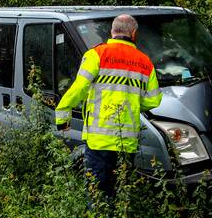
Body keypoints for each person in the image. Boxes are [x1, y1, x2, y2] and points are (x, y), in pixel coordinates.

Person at [55, 14, 163, 200]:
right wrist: (133, 101)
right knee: (120, 192)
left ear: (112, 31)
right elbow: (153, 100)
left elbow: (79, 88)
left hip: (99, 141)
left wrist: (62, 116)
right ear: (134, 34)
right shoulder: (145, 62)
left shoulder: (96, 54)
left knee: (97, 193)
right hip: (126, 143)